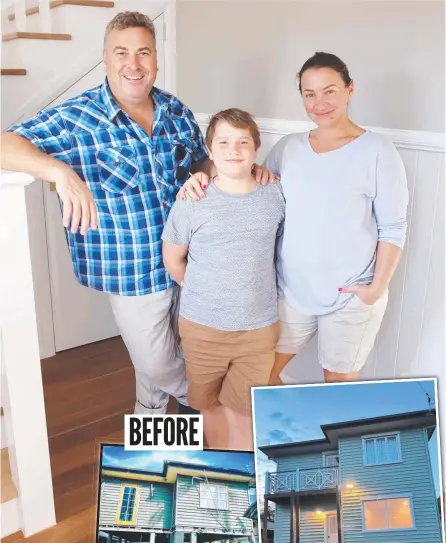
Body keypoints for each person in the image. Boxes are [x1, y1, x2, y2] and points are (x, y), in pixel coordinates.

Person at [1, 11, 273, 415]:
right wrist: (59, 171)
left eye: (144, 52)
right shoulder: (79, 117)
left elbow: (203, 163)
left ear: (156, 60)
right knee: (157, 363)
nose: (134, 64)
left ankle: (154, 448)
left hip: (193, 259)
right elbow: (6, 145)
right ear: (105, 59)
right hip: (132, 271)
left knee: (174, 358)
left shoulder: (174, 111)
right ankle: (217, 407)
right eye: (122, 53)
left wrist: (236, 170)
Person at [180, 52, 408, 385]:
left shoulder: (378, 150)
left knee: (338, 384)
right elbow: (244, 178)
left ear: (350, 89)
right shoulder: (288, 149)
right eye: (309, 94)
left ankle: (324, 437)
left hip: (351, 295)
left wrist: (375, 289)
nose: (320, 103)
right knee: (256, 376)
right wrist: (201, 177)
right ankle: (291, 434)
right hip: (290, 291)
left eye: (329, 91)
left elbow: (393, 227)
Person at [162, 109, 285, 450]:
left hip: (257, 329)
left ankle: (243, 476)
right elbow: (173, 259)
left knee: (245, 410)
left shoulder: (275, 195)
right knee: (207, 407)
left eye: (243, 142)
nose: (234, 150)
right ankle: (217, 474)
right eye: (224, 142)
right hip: (203, 328)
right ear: (210, 152)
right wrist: (202, 288)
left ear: (255, 150)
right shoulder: (192, 200)